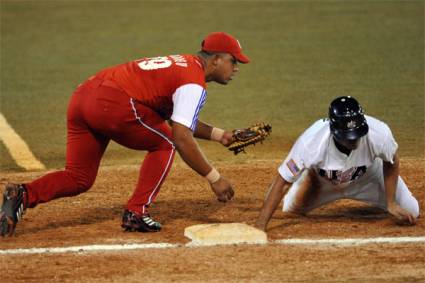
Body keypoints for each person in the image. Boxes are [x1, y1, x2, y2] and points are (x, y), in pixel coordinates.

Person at [0, 31, 250, 236]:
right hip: (113, 102)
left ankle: (22, 194)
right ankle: (136, 211)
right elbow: (181, 135)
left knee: (79, 177)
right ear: (216, 59)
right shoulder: (193, 82)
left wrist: (221, 136)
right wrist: (215, 177)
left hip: (83, 97)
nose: (236, 68)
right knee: (166, 143)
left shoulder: (183, 64)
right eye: (233, 61)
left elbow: (180, 119)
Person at [255, 96, 419, 231]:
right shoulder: (311, 142)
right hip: (322, 182)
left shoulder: (379, 133)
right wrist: (261, 225)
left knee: (411, 211)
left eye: (357, 134)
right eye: (349, 136)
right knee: (290, 210)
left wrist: (391, 203)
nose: (354, 140)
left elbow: (391, 161)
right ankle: (307, 175)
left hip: (369, 177)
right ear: (333, 130)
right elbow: (283, 181)